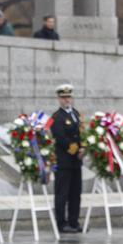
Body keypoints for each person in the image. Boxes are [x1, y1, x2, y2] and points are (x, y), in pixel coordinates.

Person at [51, 84, 83, 233]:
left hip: (76, 162)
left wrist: (83, 148)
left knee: (75, 193)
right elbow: (61, 138)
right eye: (63, 97)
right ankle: (61, 223)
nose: (66, 100)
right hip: (64, 161)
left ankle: (74, 221)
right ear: (59, 99)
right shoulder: (57, 117)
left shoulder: (76, 114)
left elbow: (82, 133)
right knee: (62, 194)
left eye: (68, 97)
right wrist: (76, 150)